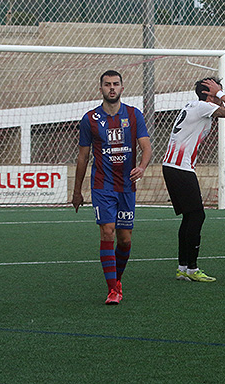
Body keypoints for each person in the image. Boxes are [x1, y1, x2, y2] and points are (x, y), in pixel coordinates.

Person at [72, 70, 152, 305]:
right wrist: (77, 191)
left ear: (122, 87)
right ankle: (112, 290)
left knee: (125, 239)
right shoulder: (90, 119)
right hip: (102, 186)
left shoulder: (134, 116)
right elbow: (82, 157)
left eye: (116, 84)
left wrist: (142, 166)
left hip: (127, 186)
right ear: (101, 89)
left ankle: (116, 280)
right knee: (107, 230)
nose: (112, 88)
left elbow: (146, 147)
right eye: (107, 84)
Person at [162, 77, 225, 282]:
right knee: (198, 216)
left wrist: (218, 94)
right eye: (217, 92)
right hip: (179, 168)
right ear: (209, 94)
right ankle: (192, 268)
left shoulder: (197, 107)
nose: (221, 98)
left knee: (190, 217)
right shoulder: (202, 106)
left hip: (174, 167)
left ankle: (183, 268)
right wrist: (219, 93)